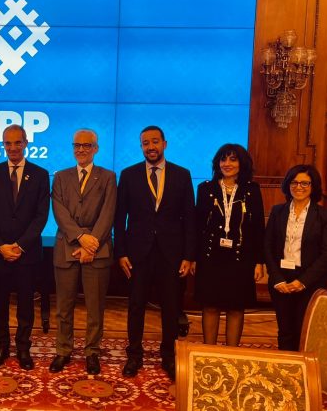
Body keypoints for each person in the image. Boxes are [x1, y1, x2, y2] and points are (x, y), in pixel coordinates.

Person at [115, 126, 195, 380]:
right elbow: (119, 218)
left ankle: (168, 356)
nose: (150, 147)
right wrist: (121, 252)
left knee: (171, 308)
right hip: (137, 254)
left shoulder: (182, 175)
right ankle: (134, 355)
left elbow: (189, 219)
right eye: (145, 143)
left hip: (171, 254)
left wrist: (188, 255)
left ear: (164, 144)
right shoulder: (128, 175)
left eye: (155, 142)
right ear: (141, 147)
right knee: (136, 306)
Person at [0, 125, 50, 370]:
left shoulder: (40, 174)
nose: (13, 148)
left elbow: (41, 216)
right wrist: (1, 245)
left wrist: (20, 245)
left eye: (17, 142)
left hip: (27, 253)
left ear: (26, 143)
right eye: (8, 143)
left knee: (25, 304)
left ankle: (23, 348)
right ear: (3, 145)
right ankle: (1, 347)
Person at [49, 129, 116, 375]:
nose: (81, 150)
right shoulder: (60, 176)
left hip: (97, 248)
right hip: (67, 245)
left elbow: (108, 212)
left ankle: (92, 352)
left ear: (96, 148)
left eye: (87, 146)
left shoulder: (108, 177)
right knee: (64, 306)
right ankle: (63, 350)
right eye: (77, 145)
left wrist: (91, 243)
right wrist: (80, 238)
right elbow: (59, 211)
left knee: (95, 307)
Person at [193, 143, 264, 347]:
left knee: (236, 307)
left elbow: (258, 228)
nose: (227, 163)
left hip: (241, 258)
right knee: (210, 306)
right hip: (210, 257)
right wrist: (194, 257)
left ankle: (232, 354)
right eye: (223, 159)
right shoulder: (206, 188)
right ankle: (209, 351)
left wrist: (259, 262)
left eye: (233, 159)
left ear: (242, 163)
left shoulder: (252, 190)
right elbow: (198, 226)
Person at [264, 165, 327, 351]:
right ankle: (285, 365)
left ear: (313, 186)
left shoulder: (324, 215)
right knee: (285, 330)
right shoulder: (278, 211)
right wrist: (276, 278)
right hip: (281, 279)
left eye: (305, 183)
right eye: (294, 182)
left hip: (310, 281)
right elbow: (268, 246)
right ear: (288, 185)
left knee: (304, 330)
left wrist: (303, 282)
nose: (299, 187)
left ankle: (302, 366)